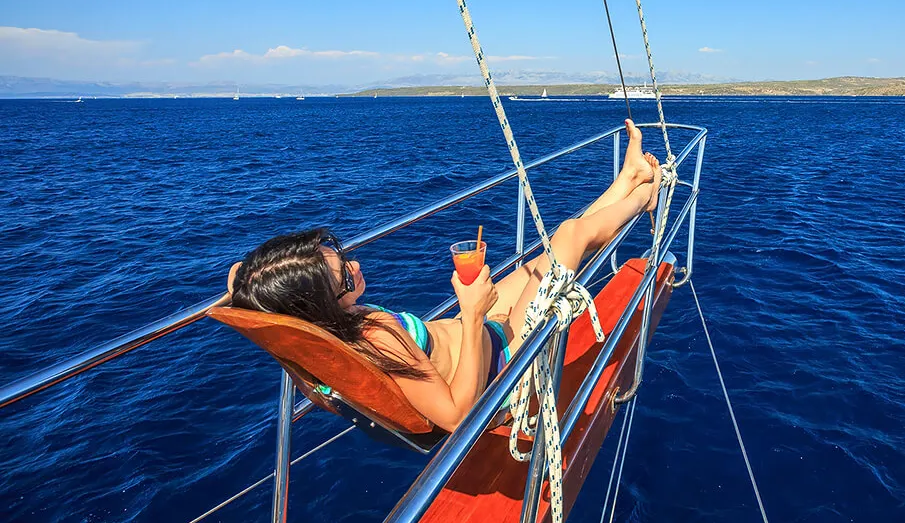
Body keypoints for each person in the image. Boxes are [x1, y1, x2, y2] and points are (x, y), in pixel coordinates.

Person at [226, 120, 661, 432]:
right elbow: (456, 417)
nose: (355, 266)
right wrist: (471, 316)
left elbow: (238, 281)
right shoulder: (375, 332)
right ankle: (647, 195)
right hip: (499, 367)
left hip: (484, 336)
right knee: (570, 236)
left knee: (545, 259)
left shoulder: (301, 339)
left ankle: (628, 178)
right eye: (344, 277)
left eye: (340, 253)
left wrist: (246, 289)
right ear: (319, 306)